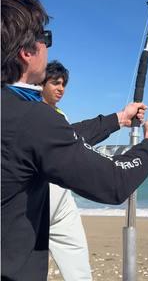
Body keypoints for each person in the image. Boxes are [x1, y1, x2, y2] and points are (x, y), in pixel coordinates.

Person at [1, 0, 148, 281]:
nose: (47, 46)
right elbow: (113, 183)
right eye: (45, 39)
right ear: (27, 52)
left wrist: (118, 118)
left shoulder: (23, 116)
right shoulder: (32, 118)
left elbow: (64, 138)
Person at [42, 60, 92, 281]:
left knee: (79, 265)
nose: (61, 88)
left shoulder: (62, 114)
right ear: (41, 84)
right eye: (55, 83)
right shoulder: (28, 112)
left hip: (63, 202)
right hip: (36, 203)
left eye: (63, 84)